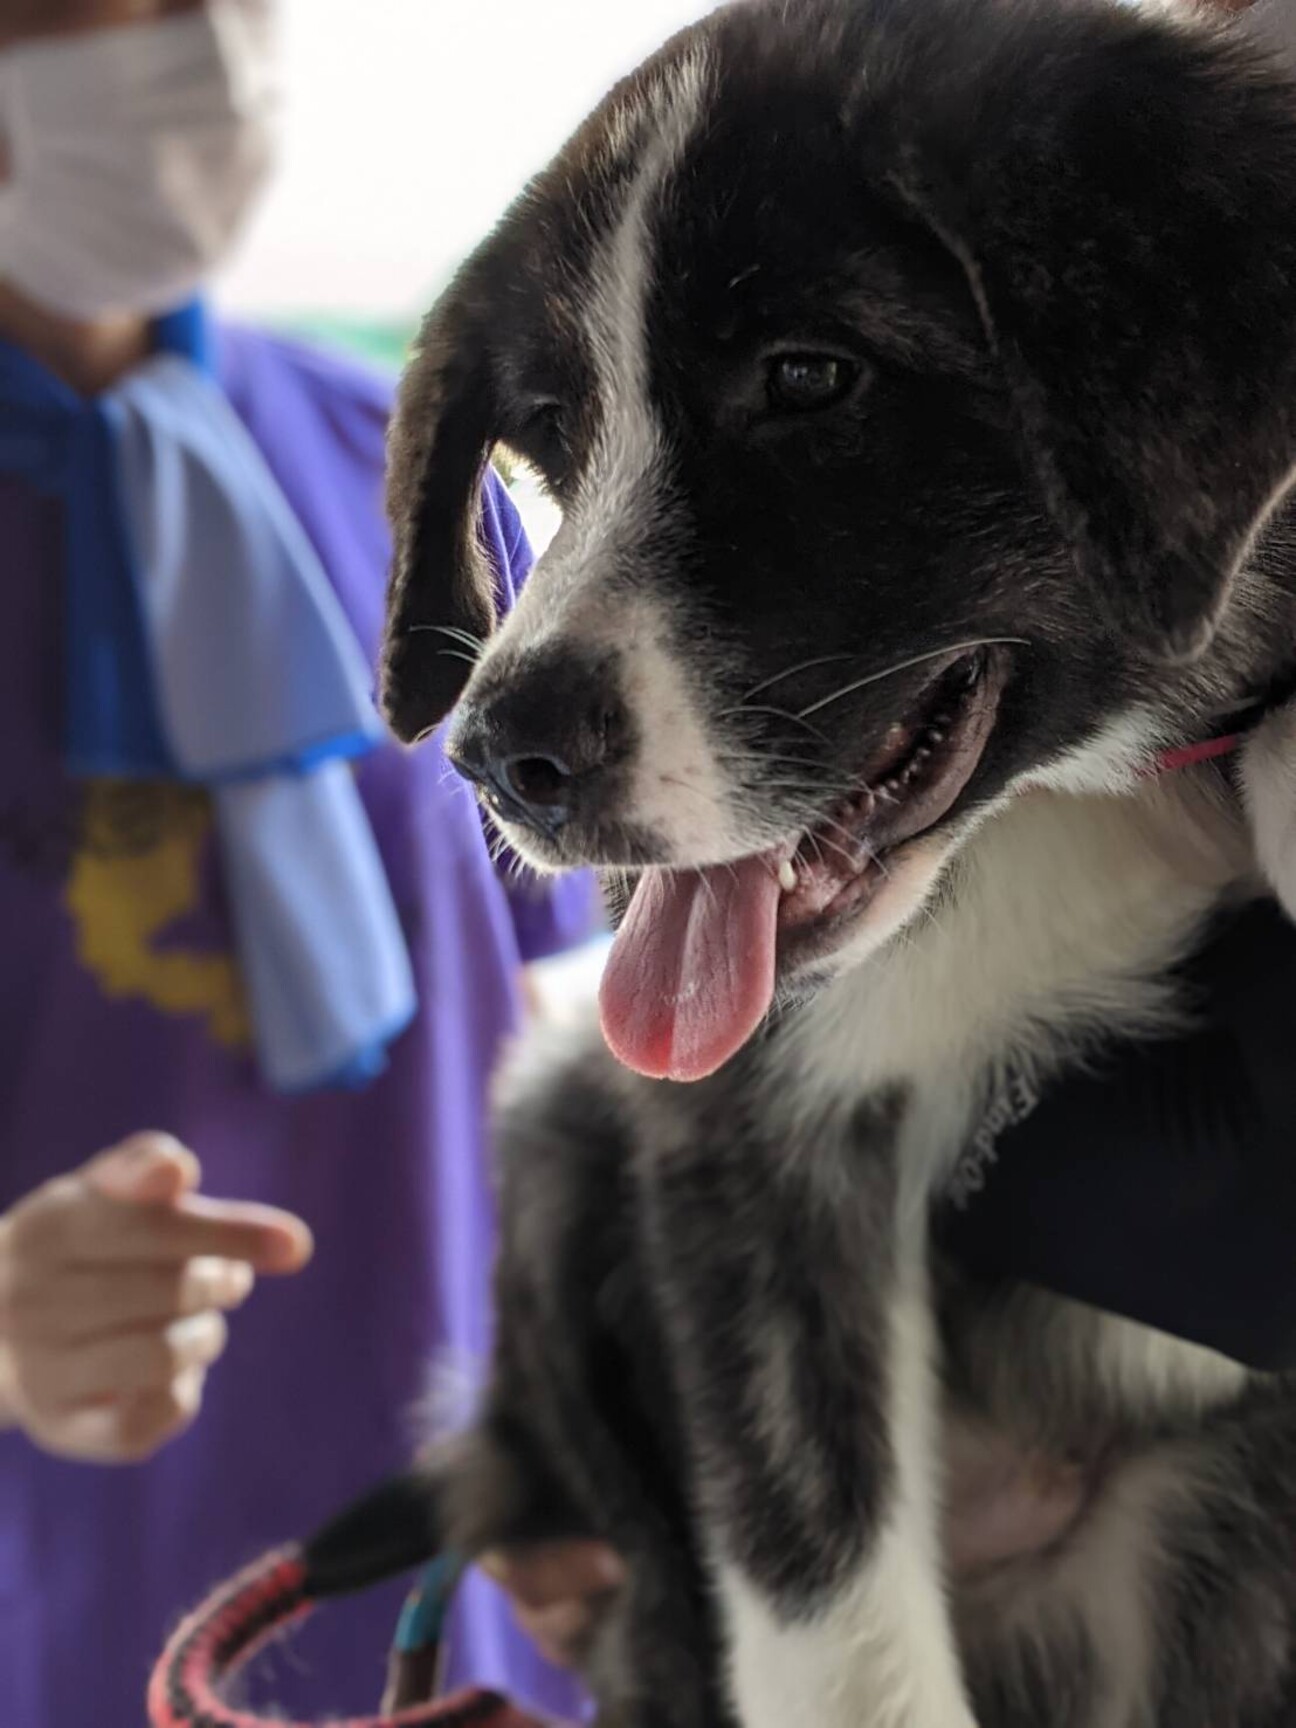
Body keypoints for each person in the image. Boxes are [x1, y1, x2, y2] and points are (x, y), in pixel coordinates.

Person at [467, 0, 1296, 1679]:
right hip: (883, 1498)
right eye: (560, 460)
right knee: (597, 1123)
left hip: (1201, 1527)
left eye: (802, 383)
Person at [0, 2, 599, 1721]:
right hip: (75, 1614)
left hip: (468, 1576)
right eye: (114, 16)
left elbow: (565, 1017)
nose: (199, 54)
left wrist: (612, 1390)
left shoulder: (401, 460)